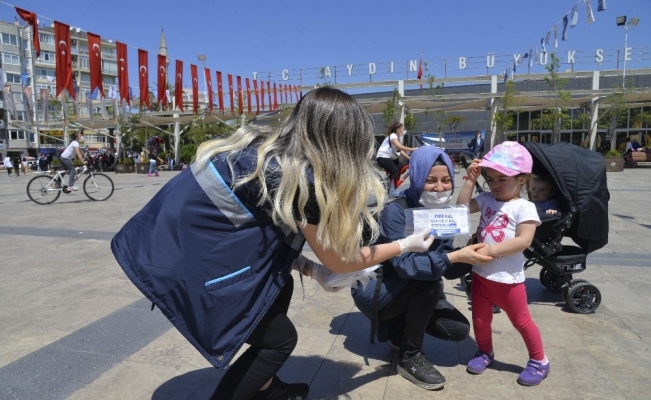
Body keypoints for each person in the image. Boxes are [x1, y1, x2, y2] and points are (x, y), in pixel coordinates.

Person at [111, 87, 437, 400]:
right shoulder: (299, 177)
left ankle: (265, 388)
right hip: (178, 260)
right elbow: (342, 261)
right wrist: (406, 244)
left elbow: (257, 230)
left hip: (165, 242)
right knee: (280, 340)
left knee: (279, 287)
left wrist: (310, 268)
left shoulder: (268, 151)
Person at [350, 146, 493, 390]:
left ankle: (400, 333)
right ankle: (409, 357)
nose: (439, 188)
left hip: (413, 287)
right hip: (378, 289)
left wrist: (471, 255)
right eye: (430, 180)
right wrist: (452, 258)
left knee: (456, 329)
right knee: (428, 284)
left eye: (446, 180)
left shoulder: (443, 213)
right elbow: (405, 266)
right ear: (416, 178)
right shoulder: (395, 210)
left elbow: (448, 265)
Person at [456, 141, 550, 387]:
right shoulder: (486, 198)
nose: (495, 185)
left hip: (508, 281)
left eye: (502, 179)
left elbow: (524, 240)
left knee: (521, 322)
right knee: (480, 320)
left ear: (522, 179)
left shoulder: (524, 207)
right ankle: (485, 352)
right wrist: (469, 180)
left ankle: (539, 360)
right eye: (491, 179)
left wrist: (491, 250)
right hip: (480, 275)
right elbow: (461, 208)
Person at [376, 121, 416, 196]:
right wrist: (413, 149)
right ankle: (392, 190)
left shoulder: (396, 138)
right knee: (395, 171)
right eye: (403, 129)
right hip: (382, 157)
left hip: (388, 157)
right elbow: (400, 147)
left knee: (401, 167)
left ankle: (389, 181)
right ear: (398, 130)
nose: (404, 130)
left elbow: (400, 151)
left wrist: (410, 158)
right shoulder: (393, 136)